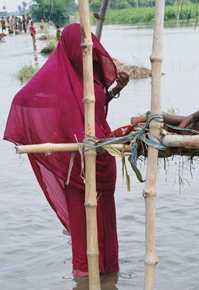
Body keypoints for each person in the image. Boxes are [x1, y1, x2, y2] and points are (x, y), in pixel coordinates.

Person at [4, 23, 129, 277]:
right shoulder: (59, 79)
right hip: (77, 165)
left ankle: (108, 274)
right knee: (83, 224)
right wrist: (26, 130)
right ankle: (84, 277)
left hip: (103, 158)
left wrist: (116, 89)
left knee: (105, 219)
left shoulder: (90, 75)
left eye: (90, 48)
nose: (87, 52)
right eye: (82, 47)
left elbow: (96, 110)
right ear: (70, 46)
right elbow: (23, 99)